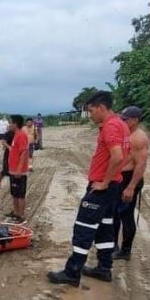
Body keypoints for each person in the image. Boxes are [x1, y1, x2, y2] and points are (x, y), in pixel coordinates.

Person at [48, 91, 129, 286]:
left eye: (91, 111)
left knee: (83, 228)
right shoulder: (121, 124)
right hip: (114, 186)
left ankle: (72, 272)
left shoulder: (110, 126)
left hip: (102, 187)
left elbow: (117, 157)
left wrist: (104, 182)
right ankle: (104, 268)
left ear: (101, 107)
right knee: (105, 228)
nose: (90, 115)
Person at [112, 106, 149, 260]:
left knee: (126, 215)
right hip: (120, 178)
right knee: (114, 214)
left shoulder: (139, 138)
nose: (123, 121)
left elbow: (141, 165)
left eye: (125, 119)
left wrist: (131, 187)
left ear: (135, 120)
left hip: (129, 178)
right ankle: (113, 245)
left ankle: (125, 250)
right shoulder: (127, 134)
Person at [7, 115, 29, 223]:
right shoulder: (16, 135)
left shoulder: (21, 135)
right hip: (13, 170)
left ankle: (21, 216)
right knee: (14, 193)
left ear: (15, 124)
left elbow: (24, 152)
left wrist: (19, 169)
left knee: (20, 194)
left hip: (18, 171)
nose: (8, 124)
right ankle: (16, 213)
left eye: (10, 122)